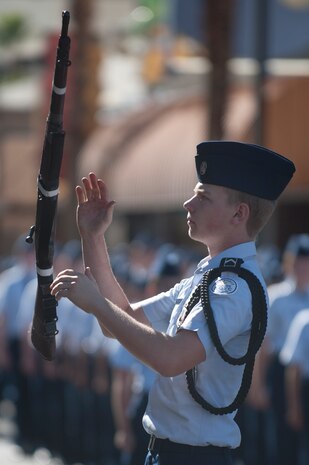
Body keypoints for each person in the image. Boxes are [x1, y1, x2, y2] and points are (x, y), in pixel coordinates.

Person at [50, 141, 295, 465]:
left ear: (239, 213)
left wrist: (96, 303)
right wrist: (93, 237)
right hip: (169, 451)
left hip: (194, 457)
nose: (188, 203)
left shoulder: (232, 288)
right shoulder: (208, 277)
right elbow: (121, 320)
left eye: (203, 197)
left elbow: (170, 358)